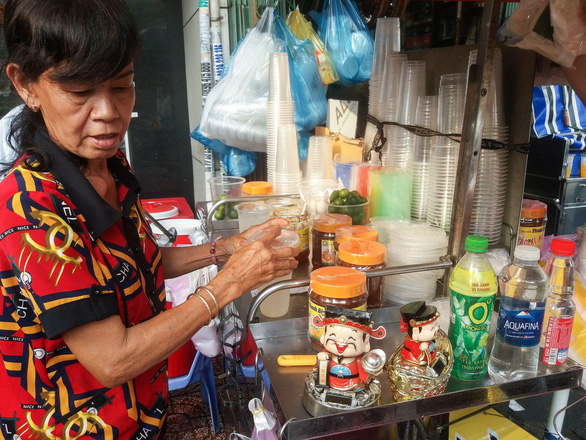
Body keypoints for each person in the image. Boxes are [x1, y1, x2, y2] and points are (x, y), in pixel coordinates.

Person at [0, 1, 298, 439]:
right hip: (73, 426)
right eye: (81, 92)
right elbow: (112, 359)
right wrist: (229, 284)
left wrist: (225, 249)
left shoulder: (106, 161)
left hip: (141, 412)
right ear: (26, 85)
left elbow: (135, 264)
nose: (107, 113)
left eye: (122, 86)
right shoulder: (28, 206)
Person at [313, 306, 385, 391]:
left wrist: (370, 375)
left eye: (351, 339)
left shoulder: (359, 360)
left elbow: (364, 372)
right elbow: (318, 368)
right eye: (333, 336)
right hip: (329, 382)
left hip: (352, 384)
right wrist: (321, 358)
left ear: (365, 342)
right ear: (324, 335)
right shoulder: (327, 355)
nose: (341, 341)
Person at [399, 301, 440, 367]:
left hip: (431, 357)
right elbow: (419, 355)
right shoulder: (412, 343)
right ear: (415, 332)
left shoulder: (424, 339)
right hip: (415, 363)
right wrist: (422, 348)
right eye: (432, 328)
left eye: (437, 325)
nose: (437, 328)